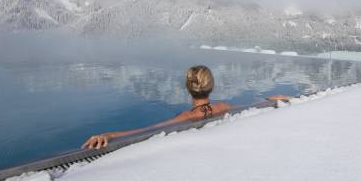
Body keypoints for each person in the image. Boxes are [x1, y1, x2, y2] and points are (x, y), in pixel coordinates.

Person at [82, 65, 290, 149]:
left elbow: (149, 131)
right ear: (211, 86)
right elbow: (249, 107)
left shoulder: (184, 118)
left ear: (187, 88)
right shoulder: (225, 106)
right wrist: (270, 100)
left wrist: (110, 135)